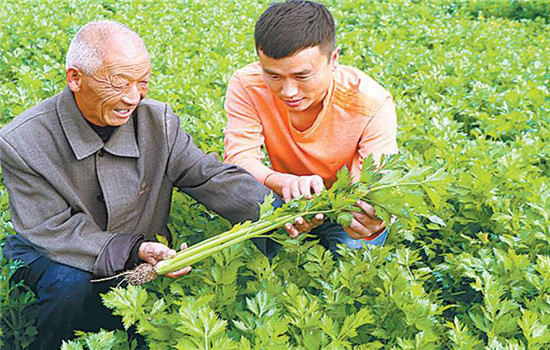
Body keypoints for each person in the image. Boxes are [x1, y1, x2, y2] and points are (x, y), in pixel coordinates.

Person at [0, 20, 287, 349]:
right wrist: (132, 249)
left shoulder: (157, 123)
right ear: (75, 78)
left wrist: (277, 211)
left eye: (143, 83)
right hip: (55, 253)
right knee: (70, 284)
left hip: (137, 260)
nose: (133, 97)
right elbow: (53, 228)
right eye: (120, 83)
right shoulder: (22, 141)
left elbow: (207, 174)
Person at [223, 0, 399, 251]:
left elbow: (377, 183)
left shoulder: (371, 103)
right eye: (273, 76)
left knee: (353, 251)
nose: (288, 91)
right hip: (281, 197)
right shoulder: (247, 85)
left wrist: (371, 221)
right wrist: (283, 183)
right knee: (255, 247)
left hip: (344, 205)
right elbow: (239, 157)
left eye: (302, 76)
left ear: (334, 59)